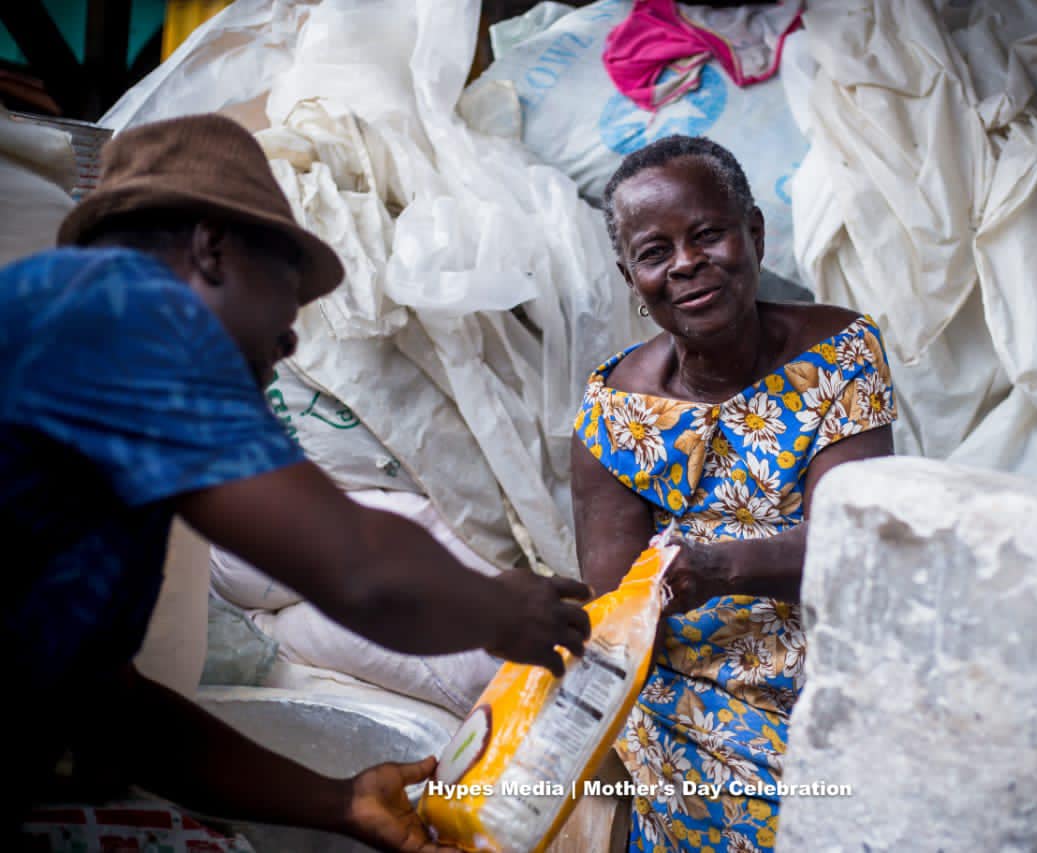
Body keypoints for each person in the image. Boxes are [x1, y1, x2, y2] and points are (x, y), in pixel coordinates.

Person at [1, 113, 592, 850]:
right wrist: (502, 608)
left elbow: (110, 709)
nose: (290, 337)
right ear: (211, 250)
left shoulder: (109, 408)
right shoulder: (132, 311)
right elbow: (362, 572)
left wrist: (343, 802)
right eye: (287, 285)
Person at [571, 135, 897, 853]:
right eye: (656, 252)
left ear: (753, 233)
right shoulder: (611, 417)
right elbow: (619, 616)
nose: (686, 263)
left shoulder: (839, 354)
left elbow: (851, 548)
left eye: (707, 234)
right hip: (693, 692)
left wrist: (714, 566)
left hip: (837, 650)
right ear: (632, 276)